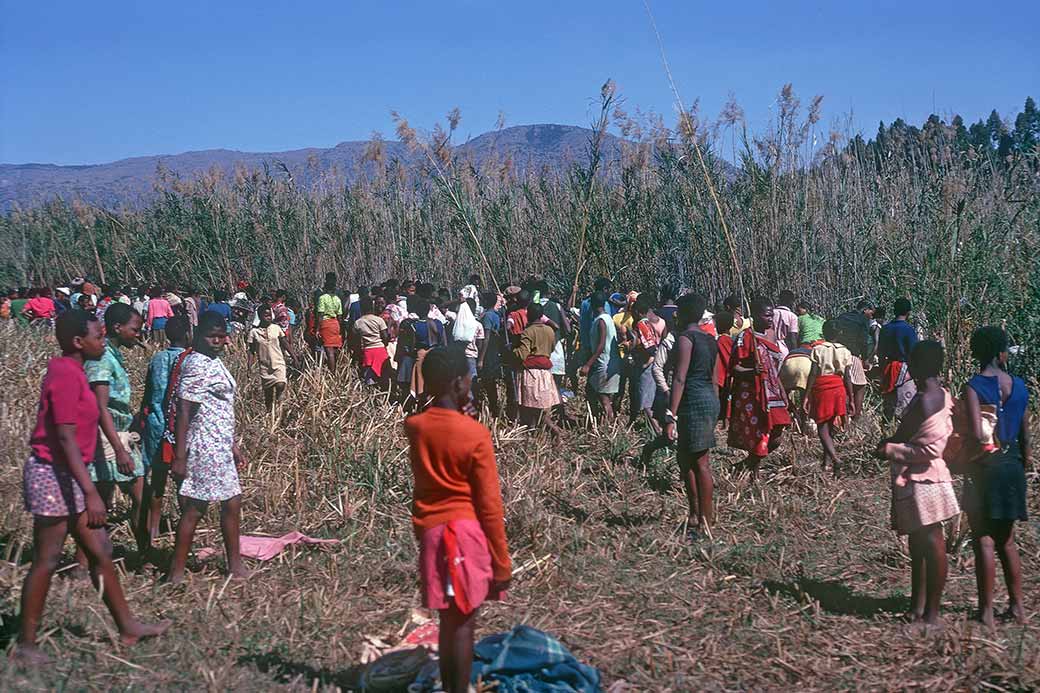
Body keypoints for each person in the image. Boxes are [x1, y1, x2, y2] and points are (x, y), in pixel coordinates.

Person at [14, 311, 169, 664]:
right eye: (98, 337)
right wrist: (90, 493)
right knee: (47, 559)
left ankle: (128, 627)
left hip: (68, 473)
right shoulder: (67, 375)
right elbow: (66, 439)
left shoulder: (72, 371)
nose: (103, 341)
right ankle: (25, 645)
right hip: (55, 475)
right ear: (77, 342)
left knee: (100, 551)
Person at [405, 347, 511, 693]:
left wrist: (458, 410)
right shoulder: (476, 435)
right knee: (464, 624)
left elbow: (437, 422)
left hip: (431, 534)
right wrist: (502, 561)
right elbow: (490, 505)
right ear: (457, 383)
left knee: (449, 622)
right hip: (463, 536)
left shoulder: (416, 427)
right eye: (467, 378)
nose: (471, 383)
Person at [875, 341, 959, 626]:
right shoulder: (944, 394)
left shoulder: (923, 400)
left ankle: (930, 612)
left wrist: (884, 448)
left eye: (912, 361)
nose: (908, 366)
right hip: (932, 475)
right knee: (920, 543)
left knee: (930, 543)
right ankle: (919, 607)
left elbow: (901, 436)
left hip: (923, 479)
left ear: (920, 365)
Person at [167, 312, 247, 583]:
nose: (216, 341)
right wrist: (179, 456)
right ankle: (176, 573)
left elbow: (220, 409)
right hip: (204, 446)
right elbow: (185, 411)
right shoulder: (197, 364)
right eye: (211, 336)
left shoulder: (214, 362)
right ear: (197, 336)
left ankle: (234, 566)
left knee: (231, 503)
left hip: (220, 444)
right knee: (196, 508)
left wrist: (233, 445)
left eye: (221, 336)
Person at [961, 326, 1031, 626]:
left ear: (977, 352)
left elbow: (978, 434)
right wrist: (1024, 464)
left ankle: (987, 611)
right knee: (1008, 540)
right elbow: (1026, 433)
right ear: (1001, 353)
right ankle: (1017, 608)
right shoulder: (1018, 385)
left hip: (985, 467)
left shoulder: (974, 387)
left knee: (984, 540)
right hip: (1013, 466)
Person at [84, 303, 146, 552]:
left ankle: (89, 559)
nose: (139, 334)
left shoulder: (112, 354)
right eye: (135, 329)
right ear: (117, 328)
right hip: (109, 438)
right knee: (140, 496)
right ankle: (144, 553)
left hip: (115, 434)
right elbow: (99, 408)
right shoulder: (102, 359)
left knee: (102, 500)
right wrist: (120, 450)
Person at [663, 294, 720, 537]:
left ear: (684, 314)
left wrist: (670, 414)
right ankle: (695, 515)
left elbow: (679, 377)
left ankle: (705, 521)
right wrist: (716, 405)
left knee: (699, 463)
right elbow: (715, 378)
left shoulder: (685, 339)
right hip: (707, 398)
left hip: (693, 401)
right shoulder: (710, 340)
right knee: (686, 460)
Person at [138, 315, 191, 547]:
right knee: (182, 481)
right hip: (180, 428)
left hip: (155, 424)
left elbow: (149, 393)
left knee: (157, 481)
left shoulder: (158, 358)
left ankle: (153, 531)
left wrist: (142, 417)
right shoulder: (190, 360)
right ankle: (186, 530)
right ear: (188, 333)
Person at [727, 299, 791, 476]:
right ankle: (753, 474)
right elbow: (734, 367)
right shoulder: (746, 337)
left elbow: (773, 370)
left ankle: (745, 465)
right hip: (752, 392)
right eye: (766, 315)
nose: (770, 318)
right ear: (754, 316)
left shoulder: (772, 335)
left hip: (773, 392)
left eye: (772, 315)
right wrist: (752, 371)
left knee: (777, 435)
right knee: (759, 434)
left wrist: (783, 393)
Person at [804, 321, 854, 475]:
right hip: (838, 388)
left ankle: (834, 459)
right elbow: (847, 378)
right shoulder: (845, 351)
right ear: (839, 333)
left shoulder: (818, 349)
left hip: (822, 387)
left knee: (822, 426)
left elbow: (813, 373)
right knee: (831, 426)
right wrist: (851, 398)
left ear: (823, 334)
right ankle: (826, 463)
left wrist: (806, 395)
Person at [513, 302, 562, 436]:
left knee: (532, 406)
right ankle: (534, 432)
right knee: (539, 405)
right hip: (545, 373)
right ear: (541, 315)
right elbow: (551, 348)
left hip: (531, 372)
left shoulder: (527, 332)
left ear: (528, 315)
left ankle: (553, 430)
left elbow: (522, 354)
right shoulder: (549, 331)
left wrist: (512, 350)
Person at [580, 291, 622, 422]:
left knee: (604, 398)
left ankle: (609, 425)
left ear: (592, 305)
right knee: (592, 391)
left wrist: (588, 364)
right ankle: (599, 421)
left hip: (603, 363)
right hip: (608, 362)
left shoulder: (601, 321)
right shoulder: (607, 318)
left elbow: (601, 345)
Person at [878, 298, 919, 421]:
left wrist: (882, 370)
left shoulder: (885, 328)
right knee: (907, 406)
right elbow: (913, 353)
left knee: (889, 405)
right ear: (908, 312)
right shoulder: (908, 330)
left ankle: (886, 432)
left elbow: (880, 352)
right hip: (905, 370)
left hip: (888, 368)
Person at [247, 303, 294, 411]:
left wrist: (294, 357)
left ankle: (278, 399)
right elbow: (251, 351)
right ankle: (269, 412)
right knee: (268, 393)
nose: (268, 318)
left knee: (281, 384)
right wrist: (249, 366)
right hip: (265, 366)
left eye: (270, 315)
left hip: (278, 362)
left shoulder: (276, 328)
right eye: (266, 316)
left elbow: (285, 343)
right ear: (260, 316)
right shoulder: (254, 332)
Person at [834, 300, 875, 420]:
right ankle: (855, 416)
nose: (871, 316)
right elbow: (863, 341)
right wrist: (866, 359)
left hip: (838, 353)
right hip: (852, 355)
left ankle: (842, 417)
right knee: (860, 385)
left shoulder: (842, 316)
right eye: (870, 313)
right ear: (864, 310)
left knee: (844, 385)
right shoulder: (863, 320)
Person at [628, 295, 663, 430]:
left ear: (637, 312)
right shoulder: (648, 323)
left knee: (646, 402)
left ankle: (658, 431)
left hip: (647, 366)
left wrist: (646, 363)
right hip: (650, 364)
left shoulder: (641, 324)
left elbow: (651, 348)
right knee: (646, 399)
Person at [476, 291, 504, 419]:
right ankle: (494, 410)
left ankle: (493, 410)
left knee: (488, 380)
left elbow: (486, 338)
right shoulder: (495, 314)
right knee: (490, 381)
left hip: (488, 351)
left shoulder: (487, 316)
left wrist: (481, 359)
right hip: (494, 350)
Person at [354, 295, 391, 387]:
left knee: (369, 381)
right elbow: (385, 337)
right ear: (372, 306)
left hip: (367, 353)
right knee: (384, 379)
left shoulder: (358, 323)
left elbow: (356, 341)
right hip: (380, 351)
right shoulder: (379, 320)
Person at [317, 273, 344, 371]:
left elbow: (320, 315)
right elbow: (340, 316)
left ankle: (332, 373)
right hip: (335, 324)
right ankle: (336, 371)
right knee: (335, 349)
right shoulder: (337, 299)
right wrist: (340, 329)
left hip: (326, 323)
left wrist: (317, 329)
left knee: (329, 351)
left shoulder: (322, 298)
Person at [714, 312, 735, 427]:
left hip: (722, 375)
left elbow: (728, 360)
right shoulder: (728, 340)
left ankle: (725, 422)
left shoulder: (722, 340)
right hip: (724, 375)